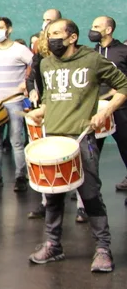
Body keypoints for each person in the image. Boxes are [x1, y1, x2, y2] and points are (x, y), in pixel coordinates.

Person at [27, 19, 127, 272]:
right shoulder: (47, 64)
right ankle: (53, 245)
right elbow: (50, 96)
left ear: (72, 37)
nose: (51, 38)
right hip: (53, 138)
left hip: (82, 139)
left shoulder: (92, 60)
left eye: (56, 33)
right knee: (53, 196)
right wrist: (42, 111)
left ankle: (103, 248)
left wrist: (106, 111)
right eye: (49, 34)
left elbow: (124, 85)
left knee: (90, 195)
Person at [0, 17, 33, 193]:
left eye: (1, 27)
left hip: (14, 102)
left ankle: (20, 177)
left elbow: (35, 65)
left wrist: (26, 83)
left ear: (9, 29)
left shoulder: (20, 50)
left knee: (16, 141)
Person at [89, 16, 127, 193]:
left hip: (121, 108)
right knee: (92, 151)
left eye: (97, 26)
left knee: (125, 146)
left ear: (108, 30)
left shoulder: (123, 51)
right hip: (97, 109)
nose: (93, 30)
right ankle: (89, 189)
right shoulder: (90, 54)